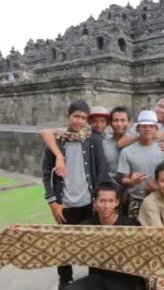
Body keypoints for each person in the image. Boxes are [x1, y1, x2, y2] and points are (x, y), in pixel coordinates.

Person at [41, 99, 109, 290]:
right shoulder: (58, 141)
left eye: (83, 118)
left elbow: (102, 169)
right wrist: (53, 201)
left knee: (93, 242)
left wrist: (98, 199)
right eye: (75, 116)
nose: (79, 121)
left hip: (89, 202)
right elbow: (47, 173)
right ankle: (65, 280)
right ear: (67, 116)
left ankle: (94, 278)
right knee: (64, 246)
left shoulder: (93, 140)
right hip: (65, 204)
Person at [65, 182, 144, 290]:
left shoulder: (130, 226)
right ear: (95, 203)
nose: (106, 206)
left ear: (117, 202)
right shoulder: (86, 228)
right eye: (102, 201)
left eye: (110, 201)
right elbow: (67, 245)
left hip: (123, 277)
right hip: (96, 277)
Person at [117, 110, 164, 220]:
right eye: (144, 126)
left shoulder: (162, 150)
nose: (147, 129)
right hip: (135, 200)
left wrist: (157, 186)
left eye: (151, 126)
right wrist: (132, 182)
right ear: (137, 129)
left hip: (158, 198)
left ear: (156, 129)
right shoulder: (127, 151)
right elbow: (124, 179)